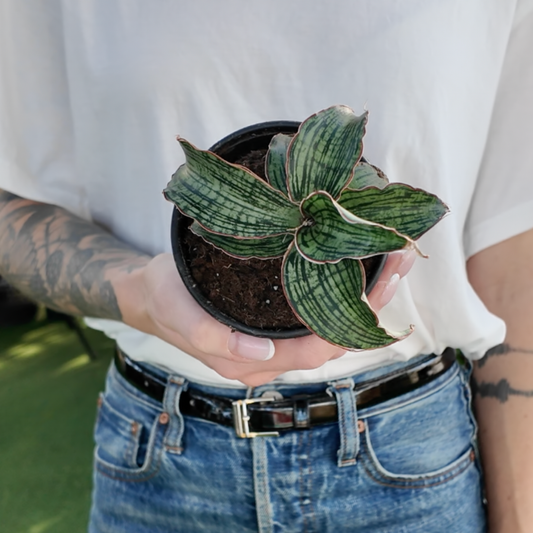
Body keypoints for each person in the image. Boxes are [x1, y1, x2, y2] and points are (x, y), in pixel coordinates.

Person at [1, 2, 532, 531]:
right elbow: (13, 208)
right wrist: (141, 296)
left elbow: (515, 263)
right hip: (163, 451)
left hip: (405, 454)